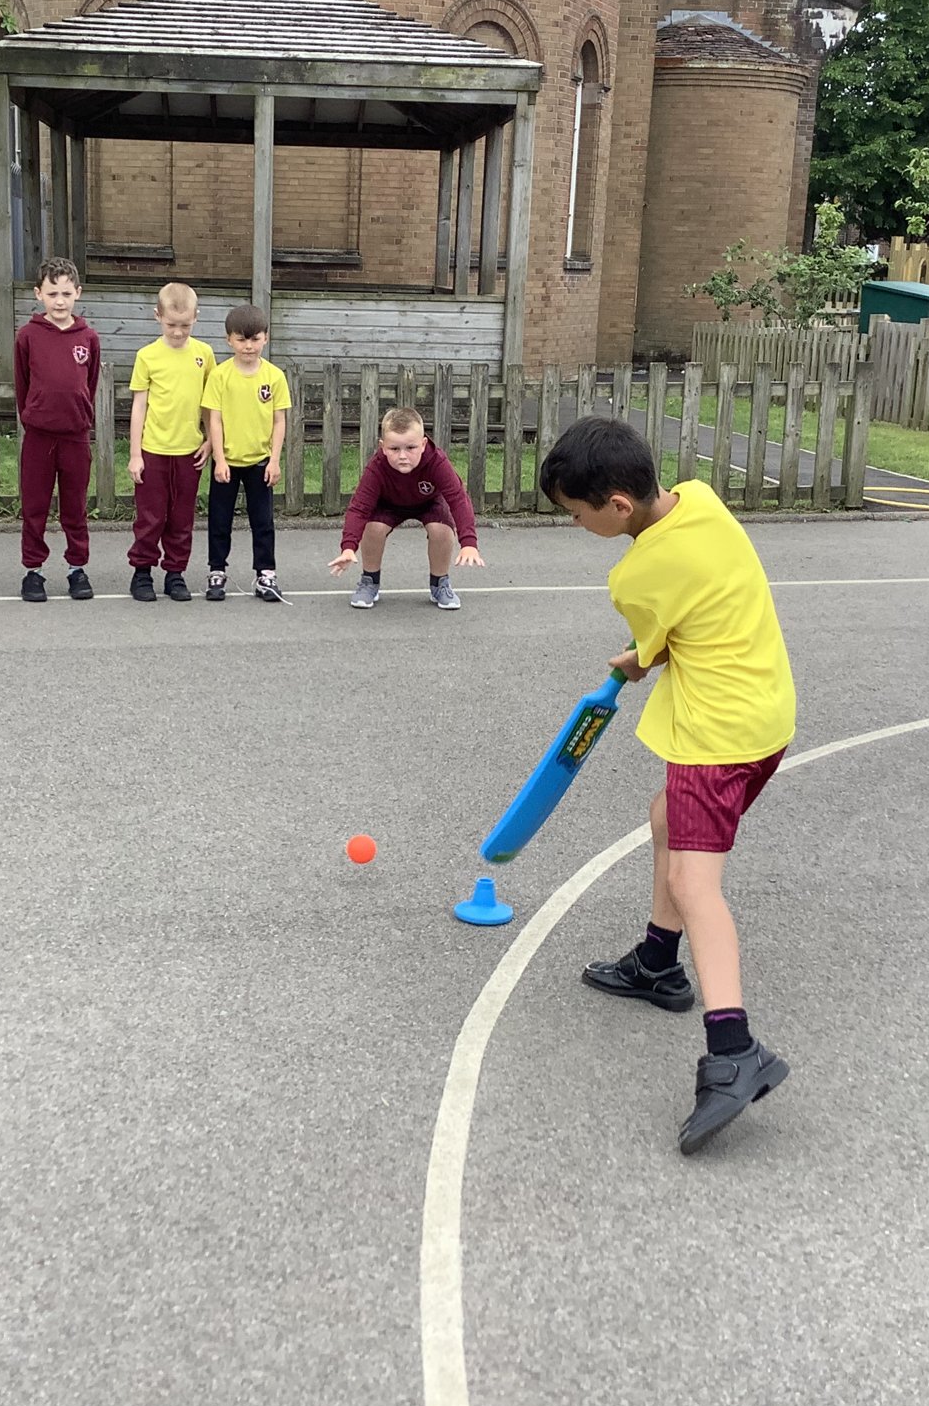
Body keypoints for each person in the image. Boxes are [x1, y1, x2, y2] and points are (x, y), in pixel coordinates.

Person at [538, 416, 797, 1155]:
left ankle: (734, 1048)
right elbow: (680, 625)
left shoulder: (636, 574)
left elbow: (650, 642)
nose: (577, 524)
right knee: (663, 821)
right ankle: (656, 964)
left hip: (717, 737)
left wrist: (635, 660)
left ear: (618, 506)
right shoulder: (701, 500)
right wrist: (644, 655)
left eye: (577, 513)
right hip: (769, 716)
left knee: (695, 881)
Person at [327, 404, 483, 609]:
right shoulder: (377, 467)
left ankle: (440, 584)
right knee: (373, 528)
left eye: (410, 448)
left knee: (442, 530)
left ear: (424, 444)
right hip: (388, 503)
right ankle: (369, 581)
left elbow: (458, 499)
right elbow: (359, 508)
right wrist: (348, 547)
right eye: (394, 448)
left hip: (429, 502)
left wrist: (469, 543)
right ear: (383, 446)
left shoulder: (437, 461)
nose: (402, 455)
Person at [14, 257, 100, 602]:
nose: (60, 301)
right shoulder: (28, 336)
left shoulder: (88, 338)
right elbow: (22, 383)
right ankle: (33, 570)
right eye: (52, 293)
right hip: (38, 436)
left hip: (75, 436)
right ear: (39, 294)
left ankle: (77, 568)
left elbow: (89, 384)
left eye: (66, 293)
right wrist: (32, 415)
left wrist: (79, 415)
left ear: (78, 293)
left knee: (74, 507)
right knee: (35, 506)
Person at [126, 283, 216, 602]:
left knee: (181, 516)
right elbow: (139, 406)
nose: (178, 333)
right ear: (157, 317)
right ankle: (142, 571)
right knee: (151, 516)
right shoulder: (147, 356)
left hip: (189, 452)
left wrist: (210, 441)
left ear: (196, 318)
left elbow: (210, 403)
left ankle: (175, 572)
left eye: (185, 326)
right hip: (153, 450)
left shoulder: (204, 355)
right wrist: (135, 454)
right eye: (171, 325)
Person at [201, 303, 289, 603]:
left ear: (265, 338)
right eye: (241, 339)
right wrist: (220, 459)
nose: (248, 346)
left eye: (254, 339)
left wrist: (274, 460)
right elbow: (214, 419)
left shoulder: (274, 377)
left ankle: (265, 574)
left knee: (262, 521)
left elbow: (279, 421)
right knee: (219, 520)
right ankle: (216, 571)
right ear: (229, 340)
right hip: (228, 462)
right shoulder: (220, 376)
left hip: (260, 462)